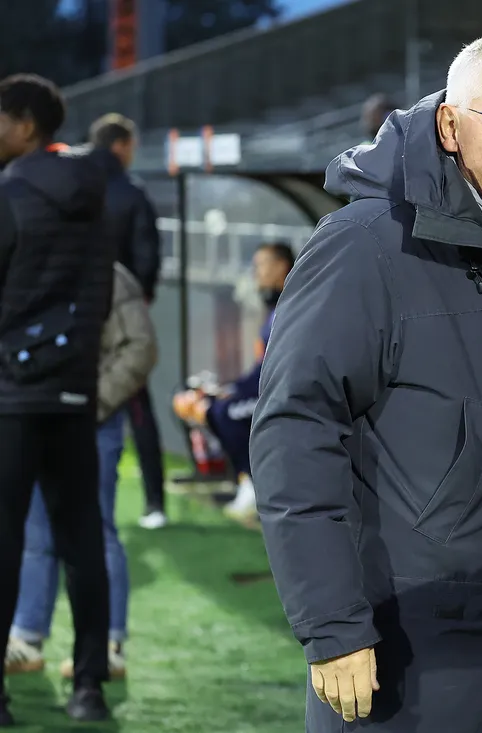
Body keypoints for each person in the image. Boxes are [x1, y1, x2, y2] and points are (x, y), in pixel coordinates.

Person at [250, 33, 482, 733]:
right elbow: (295, 432)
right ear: (450, 125)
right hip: (413, 655)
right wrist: (332, 624)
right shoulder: (363, 245)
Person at [0, 73, 115, 725]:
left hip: (12, 394)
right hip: (74, 391)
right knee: (82, 545)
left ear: (24, 125)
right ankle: (89, 688)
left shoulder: (9, 193)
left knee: (5, 543)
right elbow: (102, 290)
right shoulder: (94, 195)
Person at [6, 261, 157, 683]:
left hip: (92, 420)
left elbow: (140, 347)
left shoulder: (110, 274)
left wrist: (93, 403)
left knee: (98, 529)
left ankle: (110, 644)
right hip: (34, 414)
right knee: (35, 534)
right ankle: (27, 637)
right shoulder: (27, 262)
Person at [173, 242, 293, 520]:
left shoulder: (293, 305)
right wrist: (232, 389)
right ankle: (246, 480)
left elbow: (276, 369)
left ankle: (255, 483)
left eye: (261, 265)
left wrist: (235, 392)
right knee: (214, 406)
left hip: (285, 394)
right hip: (266, 389)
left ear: (281, 267)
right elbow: (262, 367)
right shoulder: (275, 307)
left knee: (223, 413)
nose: (256, 273)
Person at [88, 113, 167, 530]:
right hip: (121, 319)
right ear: (120, 144)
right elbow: (148, 256)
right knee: (138, 409)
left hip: (67, 319)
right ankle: (155, 502)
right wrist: (137, 300)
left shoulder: (72, 184)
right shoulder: (130, 193)